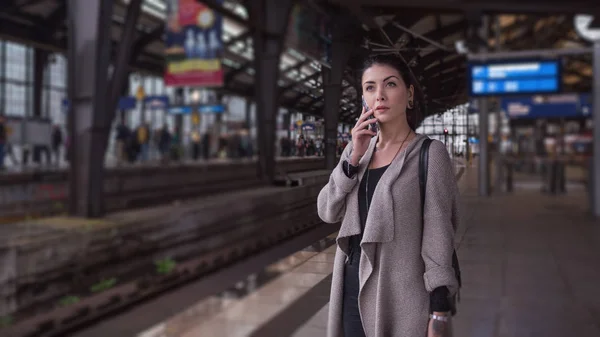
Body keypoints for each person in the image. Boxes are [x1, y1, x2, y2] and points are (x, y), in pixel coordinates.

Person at [317, 54, 459, 337]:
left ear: (409, 93)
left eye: (389, 84)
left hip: (401, 299)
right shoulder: (357, 152)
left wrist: (439, 312)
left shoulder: (431, 154)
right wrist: (353, 157)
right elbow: (327, 211)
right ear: (363, 99)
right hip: (351, 289)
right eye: (370, 87)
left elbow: (439, 237)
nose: (379, 95)